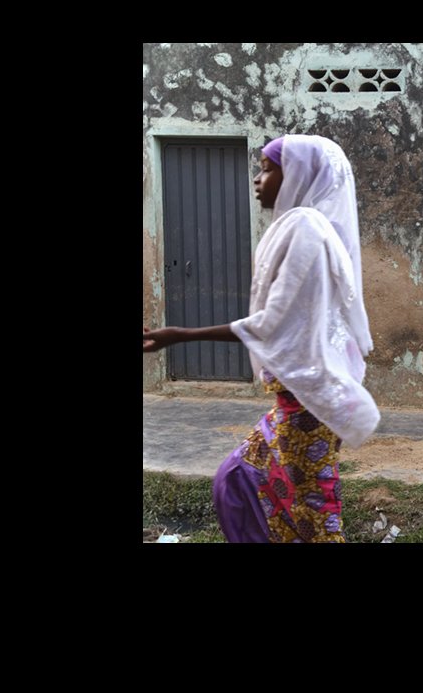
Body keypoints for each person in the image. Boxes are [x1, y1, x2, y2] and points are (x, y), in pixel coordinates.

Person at [143, 135, 379, 542]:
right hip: (293, 403)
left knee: (314, 522)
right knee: (237, 479)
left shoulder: (307, 230)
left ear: (298, 176)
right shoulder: (301, 227)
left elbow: (272, 324)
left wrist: (178, 335)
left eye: (268, 169)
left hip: (308, 411)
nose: (257, 179)